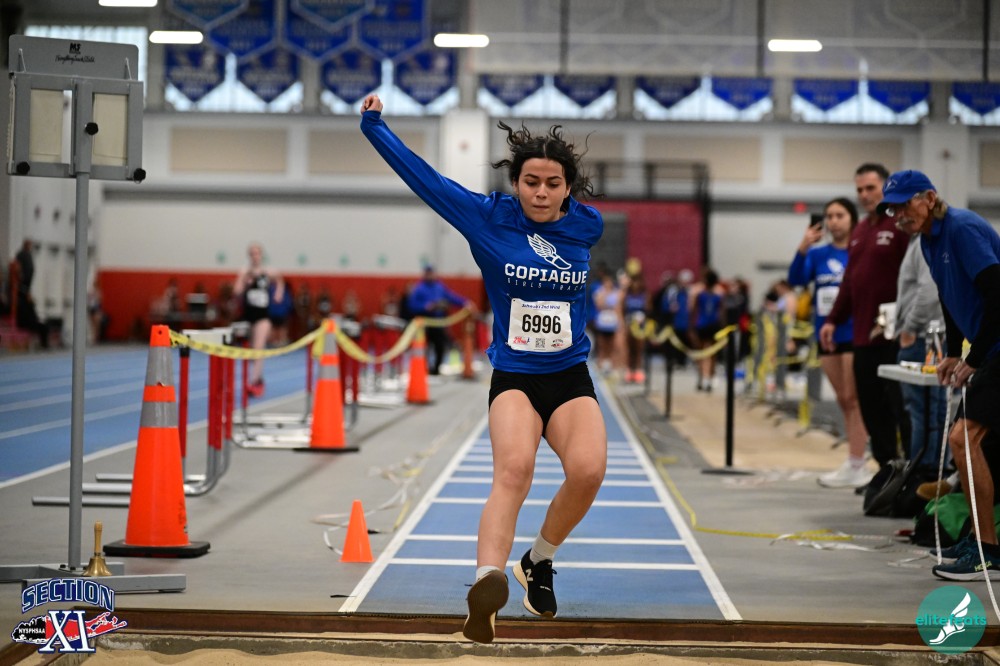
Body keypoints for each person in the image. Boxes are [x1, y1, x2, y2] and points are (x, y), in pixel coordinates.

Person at [361, 94, 608, 642]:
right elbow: (425, 180)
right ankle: (487, 584)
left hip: (569, 374)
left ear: (568, 188)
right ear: (515, 182)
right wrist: (374, 127)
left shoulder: (587, 227)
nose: (540, 192)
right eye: (530, 182)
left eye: (552, 184)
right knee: (513, 470)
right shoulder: (487, 218)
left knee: (589, 471)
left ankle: (537, 561)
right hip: (515, 375)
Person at [879, 169, 1000, 580]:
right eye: (892, 209)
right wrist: (951, 353)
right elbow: (950, 298)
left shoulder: (961, 228)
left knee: (962, 439)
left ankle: (987, 552)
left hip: (998, 349)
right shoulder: (928, 241)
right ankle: (981, 541)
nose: (899, 215)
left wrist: (975, 358)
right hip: (988, 349)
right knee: (976, 446)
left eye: (905, 204)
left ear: (929, 198)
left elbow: (997, 293)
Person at [820, 163, 910, 475]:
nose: (864, 195)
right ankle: (887, 472)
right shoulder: (859, 231)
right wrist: (832, 319)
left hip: (894, 336)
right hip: (862, 337)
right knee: (871, 408)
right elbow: (850, 282)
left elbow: (914, 278)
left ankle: (910, 474)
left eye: (871, 188)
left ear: (885, 188)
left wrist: (907, 322)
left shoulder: (899, 225)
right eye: (859, 189)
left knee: (899, 408)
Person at [789, 198, 870, 488]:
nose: (834, 221)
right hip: (826, 333)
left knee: (854, 398)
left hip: (854, 332)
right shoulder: (818, 254)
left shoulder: (859, 250)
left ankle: (858, 461)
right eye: (829, 216)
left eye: (840, 215)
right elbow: (796, 279)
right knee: (843, 399)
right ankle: (854, 460)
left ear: (852, 219)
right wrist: (804, 246)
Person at [895, 231, 947, 468]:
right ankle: (933, 471)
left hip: (922, 339)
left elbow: (929, 291)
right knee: (934, 411)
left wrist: (910, 328)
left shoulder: (924, 243)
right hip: (933, 336)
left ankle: (921, 473)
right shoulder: (927, 242)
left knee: (922, 412)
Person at [233, 242, 283, 398]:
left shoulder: (269, 272)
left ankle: (254, 380)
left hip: (263, 316)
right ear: (249, 256)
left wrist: (278, 293)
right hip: (248, 316)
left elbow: (280, 280)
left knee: (258, 347)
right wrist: (243, 279)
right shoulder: (245, 271)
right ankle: (258, 377)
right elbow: (237, 292)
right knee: (252, 350)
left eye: (257, 253)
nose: (255, 256)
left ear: (261, 255)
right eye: (252, 253)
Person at [406, 265, 472, 375]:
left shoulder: (439, 287)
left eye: (431, 273)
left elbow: (452, 297)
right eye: (428, 273)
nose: (430, 275)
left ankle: (436, 368)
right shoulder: (419, 288)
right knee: (424, 346)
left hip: (438, 322)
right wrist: (426, 306)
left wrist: (465, 302)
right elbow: (412, 305)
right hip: (425, 323)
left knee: (440, 345)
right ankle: (424, 368)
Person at [692, 268, 723, 391]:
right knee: (707, 353)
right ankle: (706, 377)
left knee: (706, 353)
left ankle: (706, 377)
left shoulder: (710, 294)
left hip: (706, 325)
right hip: (707, 325)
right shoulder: (705, 294)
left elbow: (693, 310)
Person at [14, 239, 49, 349]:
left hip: (25, 291)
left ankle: (43, 344)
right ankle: (43, 345)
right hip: (25, 317)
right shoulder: (21, 256)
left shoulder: (26, 257)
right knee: (43, 326)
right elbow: (20, 271)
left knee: (44, 325)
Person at [591, 271, 623, 375]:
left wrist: (620, 322)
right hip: (602, 320)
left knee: (612, 345)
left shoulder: (616, 293)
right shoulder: (599, 292)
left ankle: (611, 365)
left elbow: (618, 308)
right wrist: (605, 295)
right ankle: (601, 363)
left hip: (612, 320)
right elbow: (599, 305)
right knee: (602, 344)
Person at [622, 270, 649, 383]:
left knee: (638, 349)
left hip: (641, 325)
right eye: (633, 282)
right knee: (629, 348)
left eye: (637, 281)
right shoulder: (627, 295)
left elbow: (648, 310)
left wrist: (643, 318)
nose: (635, 284)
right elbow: (623, 309)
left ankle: (638, 370)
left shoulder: (644, 295)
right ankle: (629, 370)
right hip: (629, 324)